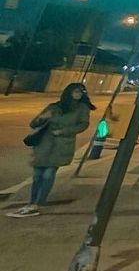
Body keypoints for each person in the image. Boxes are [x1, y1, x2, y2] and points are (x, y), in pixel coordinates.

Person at [8, 83, 95, 218]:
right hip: (44, 143)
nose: (78, 94)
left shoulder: (82, 108)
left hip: (62, 144)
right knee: (37, 175)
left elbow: (83, 125)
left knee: (48, 174)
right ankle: (32, 202)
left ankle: (38, 204)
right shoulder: (54, 107)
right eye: (76, 92)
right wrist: (43, 118)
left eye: (81, 92)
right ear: (68, 92)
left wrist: (64, 131)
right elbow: (34, 123)